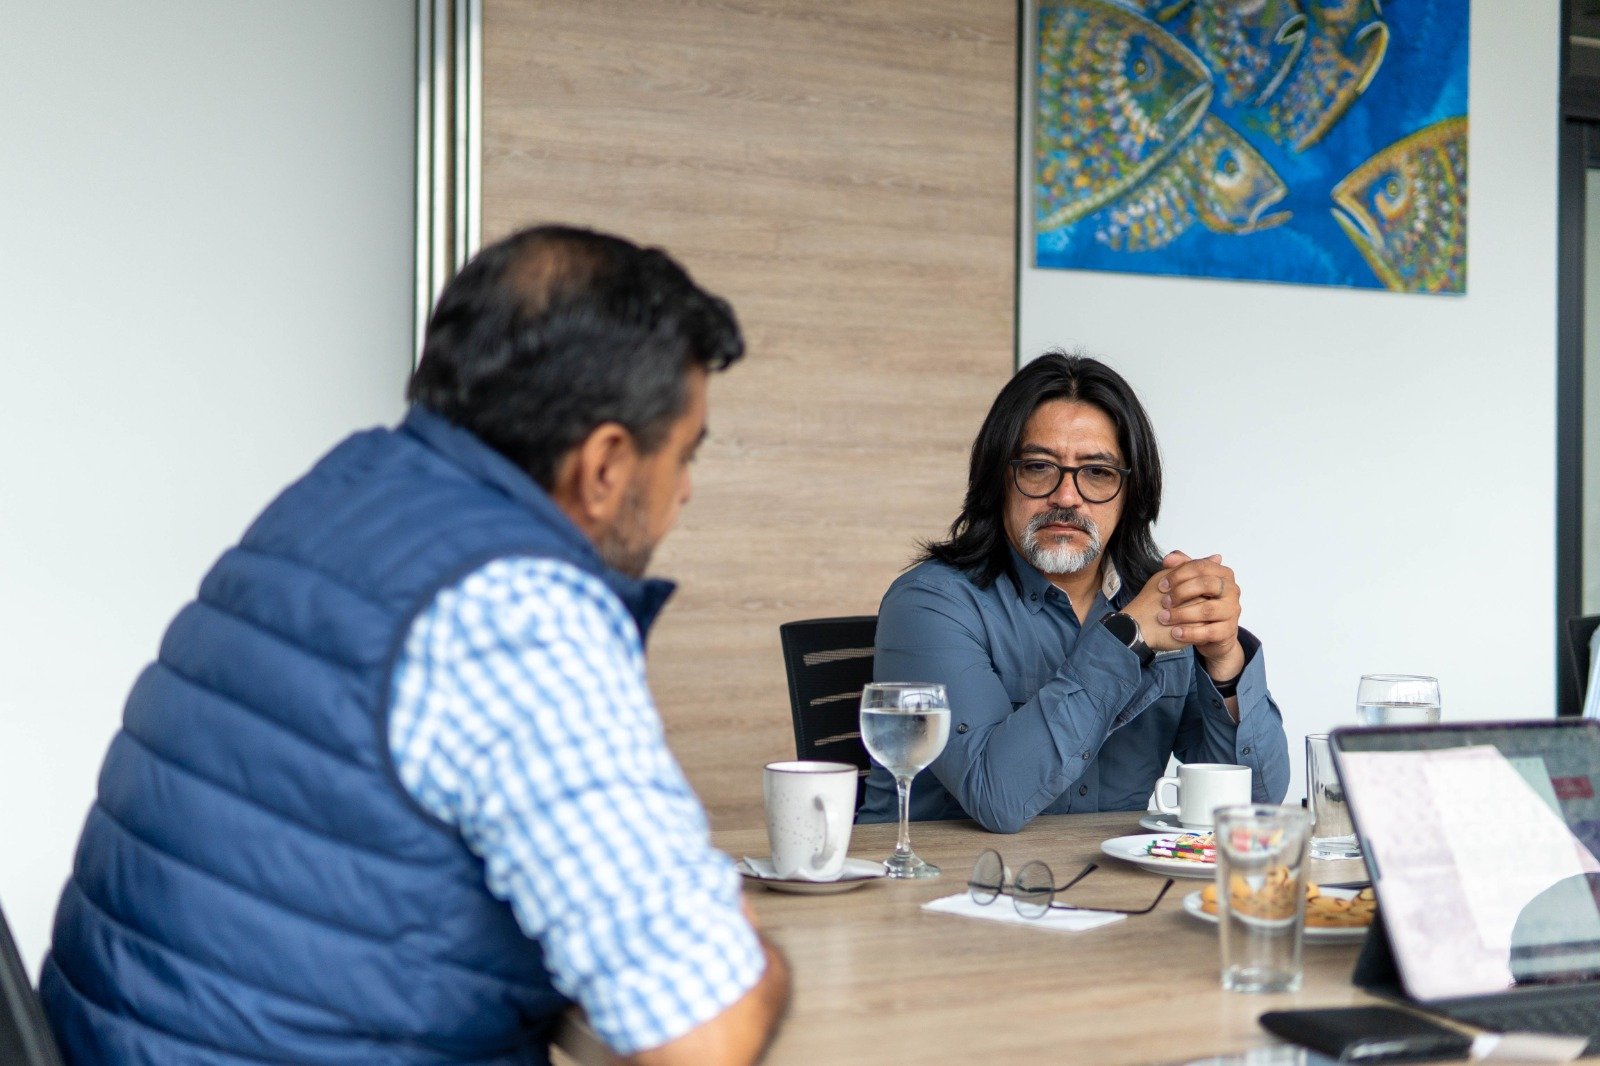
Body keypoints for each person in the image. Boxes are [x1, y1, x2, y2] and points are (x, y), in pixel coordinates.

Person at [40, 225, 789, 1065]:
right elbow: (703, 1038)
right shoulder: (515, 610)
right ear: (606, 464)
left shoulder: (337, 498)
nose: (685, 491)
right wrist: (749, 951)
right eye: (685, 455)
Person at [858, 352, 1288, 833]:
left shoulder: (1158, 602)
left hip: (1108, 876)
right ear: (999, 480)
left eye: (1098, 472)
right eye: (1038, 467)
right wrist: (1127, 637)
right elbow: (995, 796)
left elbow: (1254, 804)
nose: (1066, 496)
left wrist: (1224, 663)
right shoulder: (929, 603)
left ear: (1132, 493)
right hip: (949, 875)